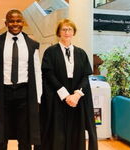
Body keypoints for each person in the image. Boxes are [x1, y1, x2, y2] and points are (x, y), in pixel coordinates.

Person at [0, 9, 42, 150]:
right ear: (6, 23)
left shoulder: (32, 44)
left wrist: (38, 99)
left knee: (25, 137)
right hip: (2, 94)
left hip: (25, 94)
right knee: (0, 138)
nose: (15, 24)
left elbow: (37, 72)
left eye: (18, 21)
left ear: (23, 22)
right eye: (11, 21)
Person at [40, 19, 98, 150]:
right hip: (57, 97)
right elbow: (48, 75)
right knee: (57, 132)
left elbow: (85, 75)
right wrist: (66, 95)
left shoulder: (81, 53)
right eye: (64, 29)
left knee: (76, 130)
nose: (67, 32)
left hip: (77, 98)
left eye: (70, 29)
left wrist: (77, 95)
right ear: (59, 32)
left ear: (74, 33)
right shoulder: (50, 52)